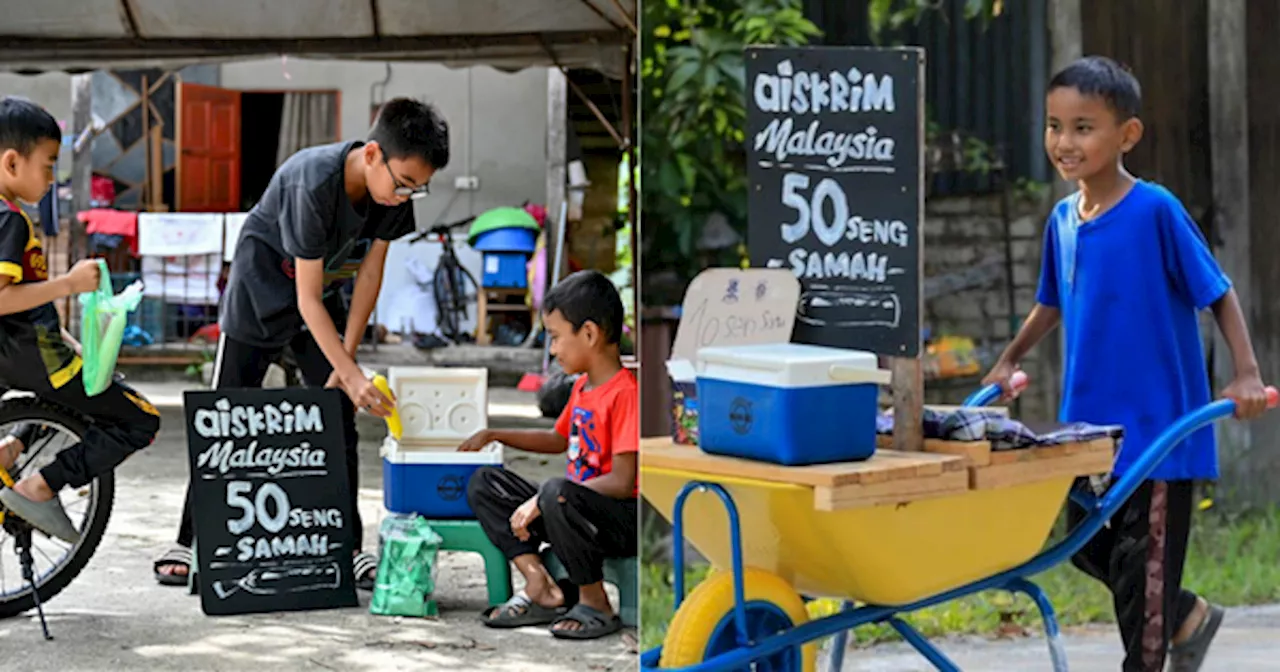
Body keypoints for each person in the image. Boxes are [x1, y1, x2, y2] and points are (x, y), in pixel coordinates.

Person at [981, 56, 1268, 672]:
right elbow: (1050, 303)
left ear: (1126, 135)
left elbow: (1216, 290)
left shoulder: (1154, 211)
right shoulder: (1062, 220)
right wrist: (1007, 360)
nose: (1064, 142)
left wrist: (1247, 373)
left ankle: (1162, 640)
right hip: (1089, 435)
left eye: (1084, 127)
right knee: (1080, 545)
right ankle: (1188, 614)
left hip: (1158, 436)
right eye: (1054, 126)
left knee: (1143, 597)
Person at [152, 97, 449, 589]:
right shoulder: (312, 182)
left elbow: (371, 273)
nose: (404, 196)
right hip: (262, 294)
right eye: (401, 184)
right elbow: (305, 298)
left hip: (323, 297)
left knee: (338, 417)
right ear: (372, 154)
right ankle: (188, 538)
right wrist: (352, 376)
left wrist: (345, 363)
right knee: (223, 419)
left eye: (417, 189)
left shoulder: (393, 195)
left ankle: (348, 546)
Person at [0, 96, 160, 543]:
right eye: (48, 166)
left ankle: (11, 448)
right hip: (30, 357)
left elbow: (23, 302)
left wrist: (67, 336)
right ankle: (41, 486)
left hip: (18, 354)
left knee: (70, 394)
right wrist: (68, 285)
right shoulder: (9, 221)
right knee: (139, 419)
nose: (52, 179)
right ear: (12, 162)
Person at [459, 269, 637, 640]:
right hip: (569, 508)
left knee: (557, 491)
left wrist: (543, 499)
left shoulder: (625, 393)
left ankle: (595, 602)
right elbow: (558, 440)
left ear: (589, 333)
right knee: (484, 482)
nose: (553, 350)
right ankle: (540, 584)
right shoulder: (584, 387)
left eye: (556, 338)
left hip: (615, 520)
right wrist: (495, 434)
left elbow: (622, 482)